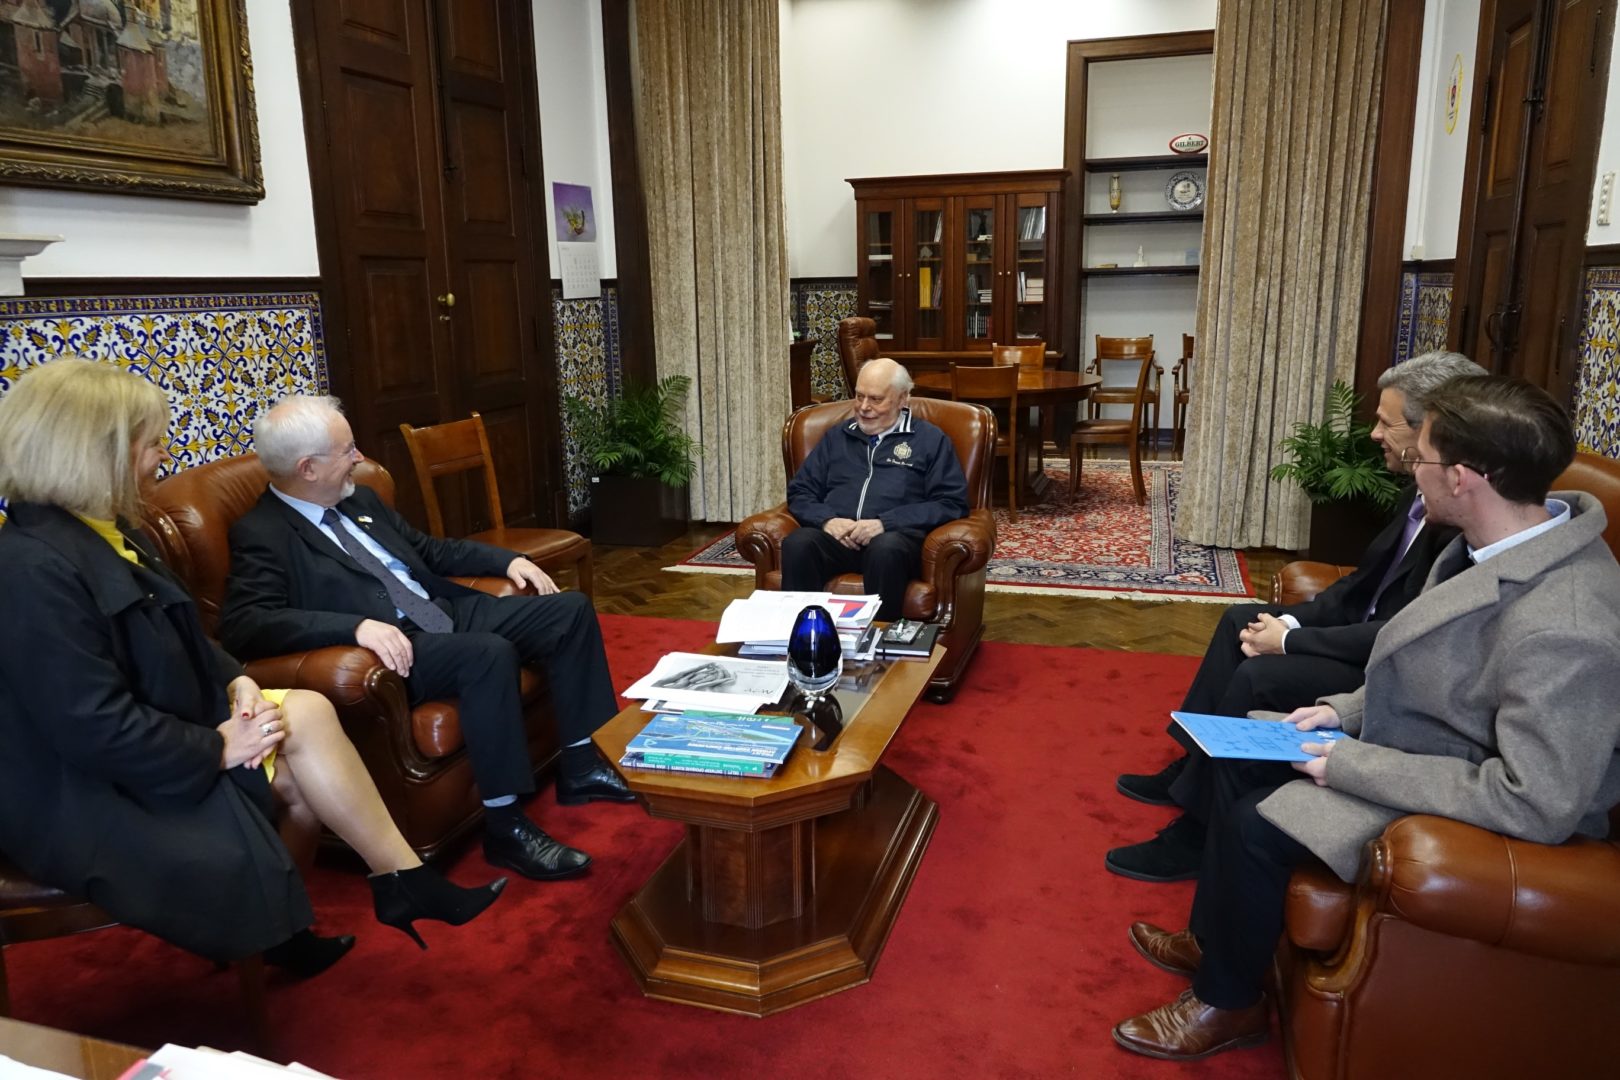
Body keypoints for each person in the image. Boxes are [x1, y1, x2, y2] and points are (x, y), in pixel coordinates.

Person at [1112, 375, 1620, 1062]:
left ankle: (1226, 1005)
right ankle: (1218, 943)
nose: (1412, 470)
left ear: (1465, 477)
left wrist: (1345, 758)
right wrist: (1339, 709)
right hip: (1418, 747)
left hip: (1473, 805)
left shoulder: (1566, 623)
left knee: (1254, 825)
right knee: (1247, 755)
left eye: (1423, 460)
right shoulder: (1490, 542)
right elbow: (1424, 670)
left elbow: (1536, 801)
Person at [0, 360, 505, 975]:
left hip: (147, 740)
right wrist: (215, 747)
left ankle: (391, 883)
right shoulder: (29, 569)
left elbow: (183, 630)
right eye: (153, 443)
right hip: (79, 790)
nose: (163, 457)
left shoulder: (111, 531)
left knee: (309, 710)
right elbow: (91, 727)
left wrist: (237, 678)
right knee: (295, 783)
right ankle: (343, 909)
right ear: (95, 453)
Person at [218, 394, 633, 884]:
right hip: (400, 648)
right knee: (487, 655)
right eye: (347, 449)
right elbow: (247, 622)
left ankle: (583, 764)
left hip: (447, 610)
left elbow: (426, 552)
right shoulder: (262, 533)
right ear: (307, 468)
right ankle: (506, 827)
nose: (360, 458)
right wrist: (352, 627)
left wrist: (503, 561)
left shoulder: (360, 498)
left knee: (569, 611)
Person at [1106, 351, 1488, 883]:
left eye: (1386, 421)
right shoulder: (1418, 489)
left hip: (1378, 665)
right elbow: (1362, 584)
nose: (1375, 433)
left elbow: (1400, 632)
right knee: (1239, 618)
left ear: (1431, 430)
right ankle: (1193, 767)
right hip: (1356, 633)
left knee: (1261, 673)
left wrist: (1289, 644)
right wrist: (1290, 623)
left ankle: (1197, 833)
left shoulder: (1463, 516)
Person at [781, 357, 968, 621]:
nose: (864, 407)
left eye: (876, 399)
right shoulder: (837, 436)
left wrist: (885, 523)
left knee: (885, 548)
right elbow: (800, 491)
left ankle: (879, 643)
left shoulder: (929, 440)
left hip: (896, 543)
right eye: (859, 396)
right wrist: (827, 521)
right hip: (839, 540)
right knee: (799, 543)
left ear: (903, 399)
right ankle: (801, 636)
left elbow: (951, 502)